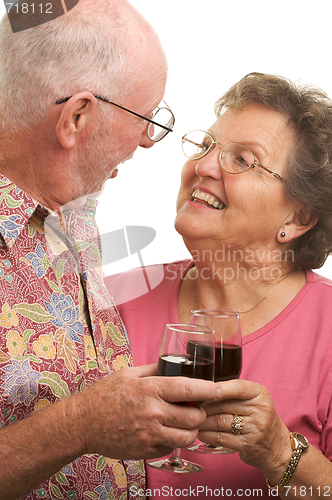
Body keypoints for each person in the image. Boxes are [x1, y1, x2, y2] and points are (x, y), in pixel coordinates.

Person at [0, 1, 222, 499]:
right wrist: (79, 424)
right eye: (145, 117)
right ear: (77, 117)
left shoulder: (72, 206)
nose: (148, 140)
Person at [107, 73, 332, 499]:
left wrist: (282, 455)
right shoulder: (109, 300)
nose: (204, 166)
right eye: (207, 146)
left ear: (297, 219)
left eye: (243, 160)